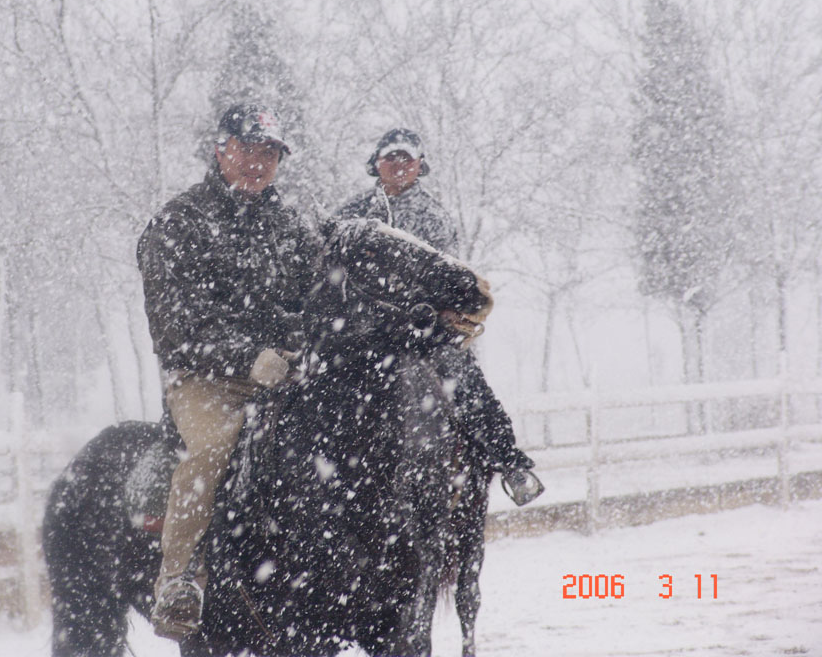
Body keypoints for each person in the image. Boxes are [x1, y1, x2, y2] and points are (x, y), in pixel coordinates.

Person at [137, 103, 321, 640]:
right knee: (215, 447)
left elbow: (319, 298)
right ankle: (178, 579)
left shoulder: (292, 229)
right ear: (220, 150)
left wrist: (297, 347)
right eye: (246, 149)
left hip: (283, 372)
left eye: (269, 152)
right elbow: (176, 323)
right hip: (205, 379)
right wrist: (246, 358)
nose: (257, 162)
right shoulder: (178, 223)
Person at [335, 128, 539, 495]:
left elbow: (447, 277)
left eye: (406, 159)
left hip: (419, 331)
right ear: (376, 164)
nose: (398, 166)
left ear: (419, 165)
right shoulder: (351, 214)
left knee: (460, 376)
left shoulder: (434, 216)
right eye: (390, 158)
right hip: (360, 327)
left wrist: (423, 315)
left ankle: (508, 461)